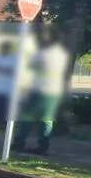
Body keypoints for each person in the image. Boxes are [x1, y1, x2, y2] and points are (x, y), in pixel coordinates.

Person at [11, 27, 71, 155]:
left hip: (38, 90)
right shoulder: (62, 55)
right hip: (53, 92)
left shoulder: (42, 54)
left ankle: (19, 143)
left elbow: (29, 67)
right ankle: (43, 147)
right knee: (47, 120)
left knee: (27, 117)